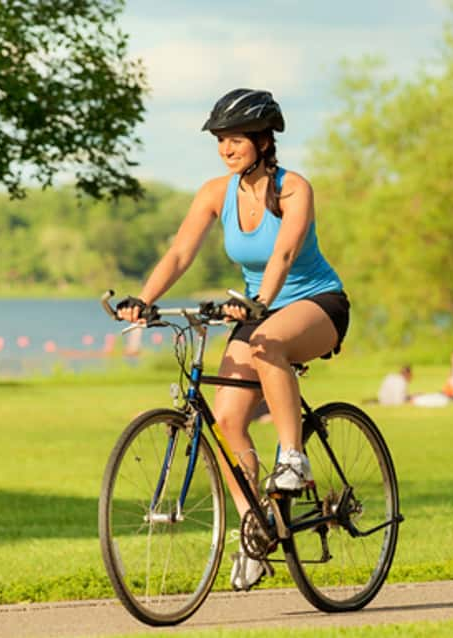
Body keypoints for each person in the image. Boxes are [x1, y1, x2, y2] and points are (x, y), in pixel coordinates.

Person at [114, 89, 349, 592]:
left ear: (264, 140)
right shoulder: (214, 193)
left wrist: (260, 301)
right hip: (255, 309)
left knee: (266, 343)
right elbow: (180, 253)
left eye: (236, 138)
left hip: (314, 302)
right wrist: (144, 300)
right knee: (224, 420)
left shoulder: (293, 189)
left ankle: (293, 457)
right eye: (221, 139)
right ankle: (254, 529)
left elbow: (284, 255)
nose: (226, 147)